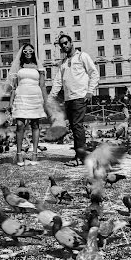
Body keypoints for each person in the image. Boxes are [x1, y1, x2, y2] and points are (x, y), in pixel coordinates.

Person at [49, 34, 99, 166]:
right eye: (61, 45)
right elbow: (58, 81)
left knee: (77, 126)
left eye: (66, 43)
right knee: (74, 127)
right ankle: (79, 155)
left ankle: (81, 157)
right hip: (68, 99)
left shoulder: (83, 56)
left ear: (71, 42)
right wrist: (51, 97)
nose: (64, 46)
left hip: (80, 97)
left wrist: (89, 92)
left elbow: (94, 73)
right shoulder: (63, 63)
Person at [9, 43, 47, 166]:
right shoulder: (18, 66)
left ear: (34, 52)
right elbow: (14, 87)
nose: (28, 53)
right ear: (22, 53)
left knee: (35, 124)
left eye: (30, 51)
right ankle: (19, 154)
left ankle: (34, 153)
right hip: (21, 96)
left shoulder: (39, 67)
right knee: (20, 125)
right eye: (25, 51)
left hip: (35, 96)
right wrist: (11, 102)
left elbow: (42, 85)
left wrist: (45, 101)